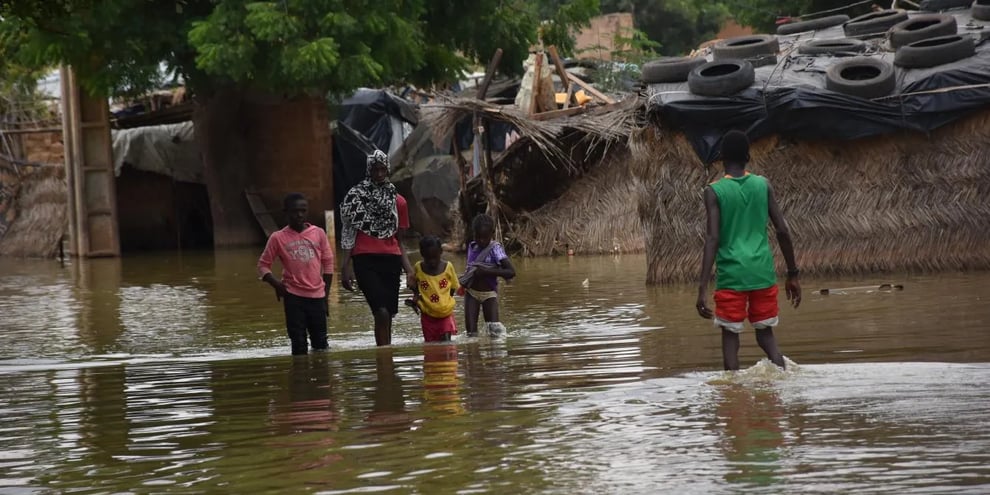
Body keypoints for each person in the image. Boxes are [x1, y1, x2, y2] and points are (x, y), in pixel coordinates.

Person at [696, 130, 801, 371]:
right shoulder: (763, 185)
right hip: (762, 273)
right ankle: (781, 385)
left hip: (732, 275)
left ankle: (732, 399)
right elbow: (783, 231)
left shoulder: (714, 191)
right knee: (766, 338)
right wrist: (793, 273)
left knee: (731, 340)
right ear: (747, 158)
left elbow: (712, 239)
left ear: (721, 157)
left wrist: (702, 288)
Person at [339, 150, 414, 346]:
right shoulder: (355, 198)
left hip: (391, 261)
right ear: (368, 170)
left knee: (388, 313)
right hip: (365, 261)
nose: (379, 174)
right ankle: (384, 358)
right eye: (375, 169)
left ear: (388, 169)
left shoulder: (399, 202)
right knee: (380, 310)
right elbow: (349, 234)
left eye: (382, 169)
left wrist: (410, 271)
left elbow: (400, 241)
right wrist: (345, 266)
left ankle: (385, 359)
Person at [258, 193, 334, 355]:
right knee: (298, 342)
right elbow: (263, 266)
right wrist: (276, 284)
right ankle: (300, 376)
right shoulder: (277, 238)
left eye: (303, 210)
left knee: (320, 342)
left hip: (317, 296)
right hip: (293, 296)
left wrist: (325, 296)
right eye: (294, 211)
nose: (299, 215)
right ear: (286, 212)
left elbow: (328, 264)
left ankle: (321, 375)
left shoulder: (318, 233)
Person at [461, 213, 515, 338]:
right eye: (478, 237)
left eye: (485, 238)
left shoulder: (495, 249)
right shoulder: (472, 246)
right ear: (473, 234)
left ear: (492, 234)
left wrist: (486, 271)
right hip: (471, 293)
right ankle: (473, 355)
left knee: (495, 332)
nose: (481, 241)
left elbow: (511, 272)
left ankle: (494, 357)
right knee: (471, 334)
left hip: (489, 294)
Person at [407, 235, 460, 342]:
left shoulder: (448, 267)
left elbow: (453, 286)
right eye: (428, 258)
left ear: (440, 252)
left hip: (445, 313)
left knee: (447, 344)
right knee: (431, 345)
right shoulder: (418, 267)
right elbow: (414, 284)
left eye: (435, 257)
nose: (432, 261)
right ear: (422, 254)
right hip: (427, 314)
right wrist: (416, 296)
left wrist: (446, 300)